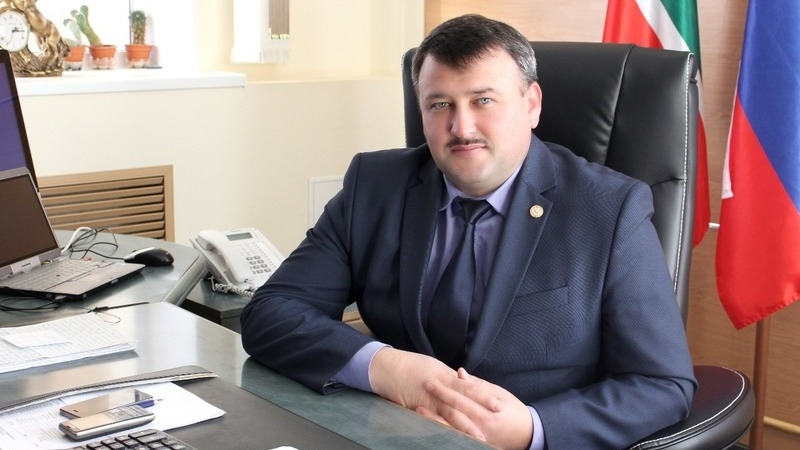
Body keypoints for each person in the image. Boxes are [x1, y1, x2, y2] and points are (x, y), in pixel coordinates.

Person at [241, 14, 696, 450]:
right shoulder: (375, 186)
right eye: (440, 104)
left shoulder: (609, 209)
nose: (461, 128)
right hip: (388, 436)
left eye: (483, 100)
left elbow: (662, 384)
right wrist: (386, 367)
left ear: (531, 104)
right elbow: (270, 312)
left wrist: (531, 429)